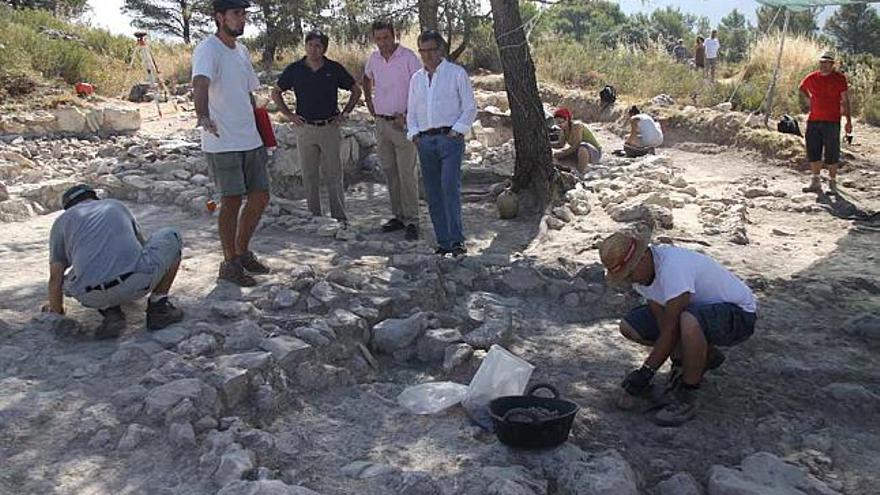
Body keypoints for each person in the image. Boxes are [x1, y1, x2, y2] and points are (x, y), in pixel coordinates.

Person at [599, 227, 757, 427]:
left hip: (738, 315)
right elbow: (663, 322)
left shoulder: (673, 267)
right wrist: (658, 366)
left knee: (688, 321)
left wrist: (647, 371)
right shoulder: (642, 277)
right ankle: (698, 358)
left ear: (642, 259)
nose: (628, 280)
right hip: (694, 313)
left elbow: (673, 327)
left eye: (629, 273)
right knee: (630, 326)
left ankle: (688, 394)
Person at [192, 0, 271, 288]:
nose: (242, 19)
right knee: (232, 200)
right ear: (219, 17)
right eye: (237, 14)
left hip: (249, 136)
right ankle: (229, 263)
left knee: (261, 195)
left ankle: (241, 251)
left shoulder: (242, 51)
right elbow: (200, 83)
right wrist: (202, 115)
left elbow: (250, 93)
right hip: (222, 139)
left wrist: (260, 128)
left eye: (244, 14)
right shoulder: (207, 49)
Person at [44, 185, 184, 339]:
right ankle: (158, 308)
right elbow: (141, 247)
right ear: (94, 197)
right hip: (136, 283)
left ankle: (111, 314)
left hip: (91, 296)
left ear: (68, 207)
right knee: (171, 235)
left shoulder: (60, 222)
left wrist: (56, 314)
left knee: (72, 277)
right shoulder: (115, 205)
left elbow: (55, 279)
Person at [272, 30, 362, 225]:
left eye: (318, 46)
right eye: (310, 45)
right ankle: (314, 217)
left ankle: (339, 217)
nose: (313, 49)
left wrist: (345, 113)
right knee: (309, 174)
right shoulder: (295, 69)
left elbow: (356, 89)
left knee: (334, 174)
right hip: (305, 128)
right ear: (305, 46)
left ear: (324, 49)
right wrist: (289, 115)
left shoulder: (334, 68)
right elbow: (276, 92)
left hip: (329, 126)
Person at [406, 30, 476, 257]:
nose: (427, 55)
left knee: (449, 188)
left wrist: (457, 131)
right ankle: (443, 242)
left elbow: (469, 106)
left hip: (449, 139)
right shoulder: (416, 78)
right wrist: (414, 135)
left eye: (431, 50)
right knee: (433, 193)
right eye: (422, 51)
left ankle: (457, 241)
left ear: (440, 50)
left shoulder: (456, 74)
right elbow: (412, 110)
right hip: (425, 141)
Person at [363, 20, 422, 240]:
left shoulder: (408, 58)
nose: (382, 43)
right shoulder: (374, 58)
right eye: (378, 38)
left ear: (394, 35)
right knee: (390, 171)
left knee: (407, 173)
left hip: (403, 124)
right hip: (381, 123)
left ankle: (413, 220)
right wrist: (369, 102)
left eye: (386, 37)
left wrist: (407, 116)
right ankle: (398, 216)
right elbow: (366, 78)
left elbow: (421, 86)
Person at [799, 52, 852, 194]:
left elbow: (845, 100)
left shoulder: (839, 79)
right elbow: (802, 88)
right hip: (814, 120)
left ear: (832, 64)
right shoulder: (812, 77)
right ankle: (815, 181)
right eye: (822, 62)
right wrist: (808, 100)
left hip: (832, 120)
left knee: (832, 152)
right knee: (813, 151)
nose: (823, 65)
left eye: (827, 62)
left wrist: (848, 121)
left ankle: (832, 182)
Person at [551, 107, 602, 174]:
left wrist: (562, 153)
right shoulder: (563, 130)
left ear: (567, 119)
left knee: (582, 147)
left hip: (592, 151)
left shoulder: (577, 126)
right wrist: (547, 144)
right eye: (557, 123)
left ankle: (580, 173)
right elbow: (560, 144)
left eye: (561, 122)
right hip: (577, 152)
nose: (559, 125)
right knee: (557, 159)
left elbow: (576, 144)